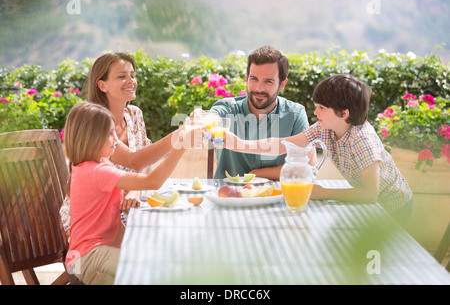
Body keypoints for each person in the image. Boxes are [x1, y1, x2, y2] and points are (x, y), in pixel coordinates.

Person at [223, 74, 413, 223]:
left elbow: (370, 194)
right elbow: (284, 144)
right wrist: (239, 144)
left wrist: (323, 192)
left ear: (343, 113)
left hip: (393, 207)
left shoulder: (363, 141)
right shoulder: (326, 128)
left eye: (321, 107)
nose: (315, 112)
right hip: (372, 204)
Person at [64, 102, 189, 284]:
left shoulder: (90, 166)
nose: (116, 138)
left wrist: (132, 194)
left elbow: (135, 181)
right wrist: (180, 147)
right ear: (90, 138)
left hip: (85, 254)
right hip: (89, 256)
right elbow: (152, 181)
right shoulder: (98, 172)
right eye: (109, 134)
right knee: (152, 270)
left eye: (114, 131)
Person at [60, 52, 183, 236]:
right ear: (102, 85)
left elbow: (146, 161)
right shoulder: (95, 123)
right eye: (121, 76)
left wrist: (134, 190)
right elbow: (134, 161)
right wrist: (181, 135)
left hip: (126, 208)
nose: (130, 81)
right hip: (93, 222)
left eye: (132, 75)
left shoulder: (134, 114)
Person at [209, 45, 311, 180]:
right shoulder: (227, 109)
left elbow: (305, 167)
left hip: (278, 197)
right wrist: (202, 118)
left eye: (268, 81)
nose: (259, 88)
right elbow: (212, 117)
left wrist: (256, 174)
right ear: (247, 78)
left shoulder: (295, 115)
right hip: (227, 196)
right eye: (254, 79)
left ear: (282, 84)